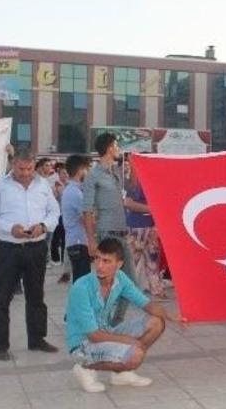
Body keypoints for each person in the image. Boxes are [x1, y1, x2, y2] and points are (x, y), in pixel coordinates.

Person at [65, 238, 182, 393]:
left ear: (119, 264)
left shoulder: (120, 278)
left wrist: (171, 316)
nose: (100, 265)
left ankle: (120, 373)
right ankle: (85, 368)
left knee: (157, 323)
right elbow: (94, 335)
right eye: (97, 259)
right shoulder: (81, 287)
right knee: (135, 355)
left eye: (106, 261)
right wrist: (131, 342)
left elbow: (146, 304)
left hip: (106, 332)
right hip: (83, 344)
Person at [0, 148, 61, 361]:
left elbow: (54, 212)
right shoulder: (0, 186)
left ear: (33, 165)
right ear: (13, 164)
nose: (25, 173)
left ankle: (37, 339)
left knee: (36, 296)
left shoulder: (43, 185)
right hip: (8, 249)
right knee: (2, 298)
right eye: (20, 168)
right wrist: (10, 228)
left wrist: (44, 226)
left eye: (28, 169)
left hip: (36, 248)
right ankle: (0, 345)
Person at [84, 132, 135, 324]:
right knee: (108, 282)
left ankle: (115, 321)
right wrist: (91, 240)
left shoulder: (115, 173)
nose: (119, 149)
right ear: (109, 148)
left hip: (121, 233)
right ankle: (104, 321)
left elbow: (132, 187)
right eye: (116, 145)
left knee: (130, 282)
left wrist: (136, 164)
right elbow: (87, 210)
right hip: (107, 233)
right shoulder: (93, 176)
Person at [125, 163, 167, 299]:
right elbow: (128, 203)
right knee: (132, 262)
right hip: (137, 227)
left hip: (150, 227)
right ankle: (122, 292)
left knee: (152, 260)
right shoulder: (134, 185)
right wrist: (152, 208)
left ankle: (157, 289)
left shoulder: (153, 183)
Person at [63, 154, 93, 282]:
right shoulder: (75, 193)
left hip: (76, 242)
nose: (88, 172)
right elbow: (87, 219)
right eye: (87, 169)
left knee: (80, 281)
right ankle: (79, 302)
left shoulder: (72, 190)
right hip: (79, 243)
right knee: (82, 281)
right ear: (80, 170)